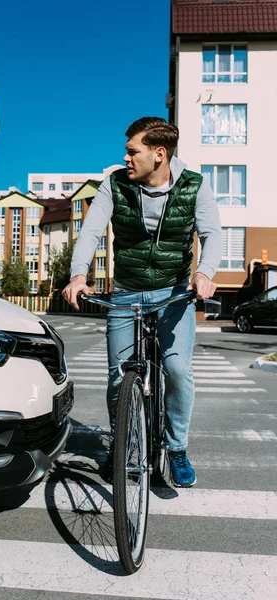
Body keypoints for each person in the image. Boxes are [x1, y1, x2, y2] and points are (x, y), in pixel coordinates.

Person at [62, 117, 222, 487]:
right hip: (127, 292)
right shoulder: (114, 185)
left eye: (133, 151)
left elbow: (212, 234)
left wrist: (204, 273)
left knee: (178, 370)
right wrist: (78, 275)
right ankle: (123, 447)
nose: (126, 157)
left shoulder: (195, 186)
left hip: (175, 293)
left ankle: (177, 447)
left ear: (159, 154)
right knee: (120, 378)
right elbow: (90, 233)